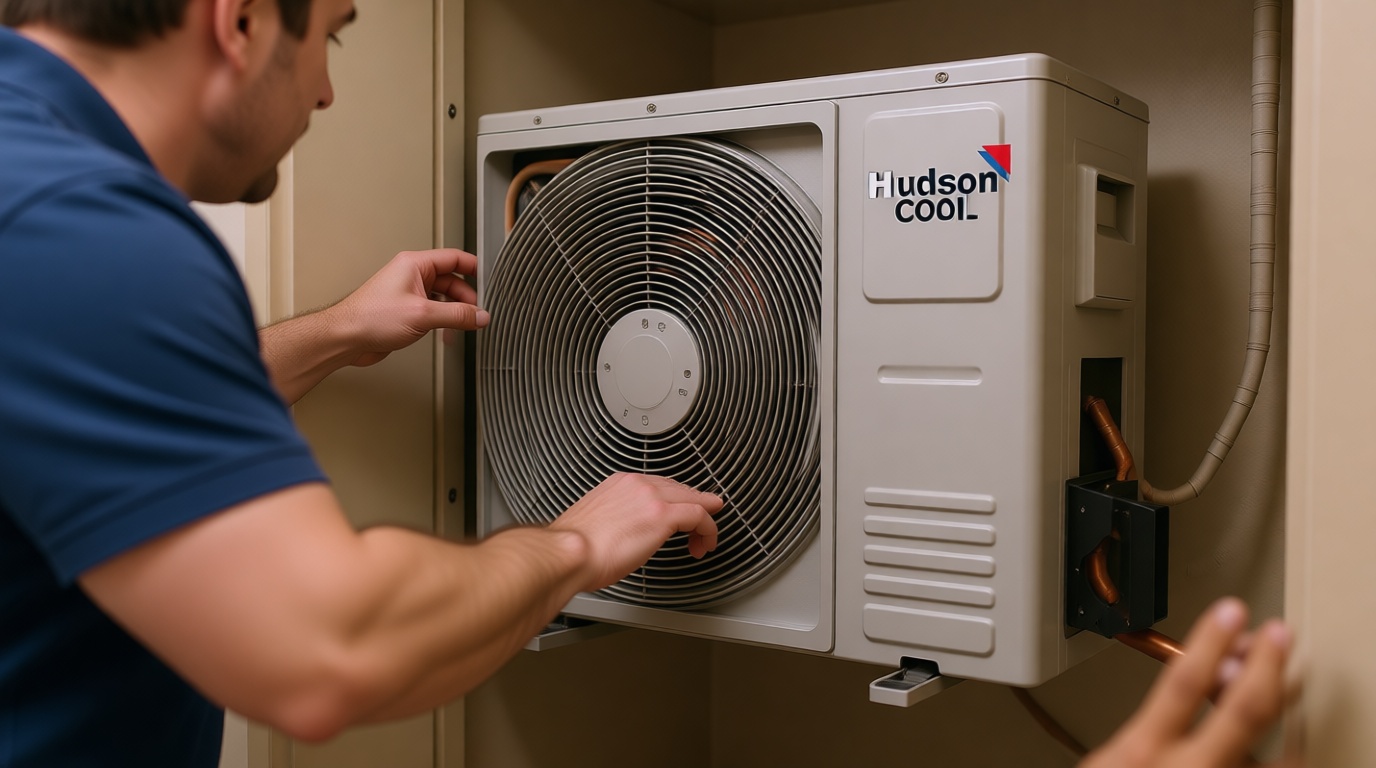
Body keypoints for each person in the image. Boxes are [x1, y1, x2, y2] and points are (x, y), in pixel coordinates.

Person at [0, 1, 1294, 767]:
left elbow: (83, 417)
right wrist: (574, 544)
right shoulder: (81, 225)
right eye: (330, 33)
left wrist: (339, 330)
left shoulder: (32, 194)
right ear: (236, 19)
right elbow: (330, 652)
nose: (332, 85)